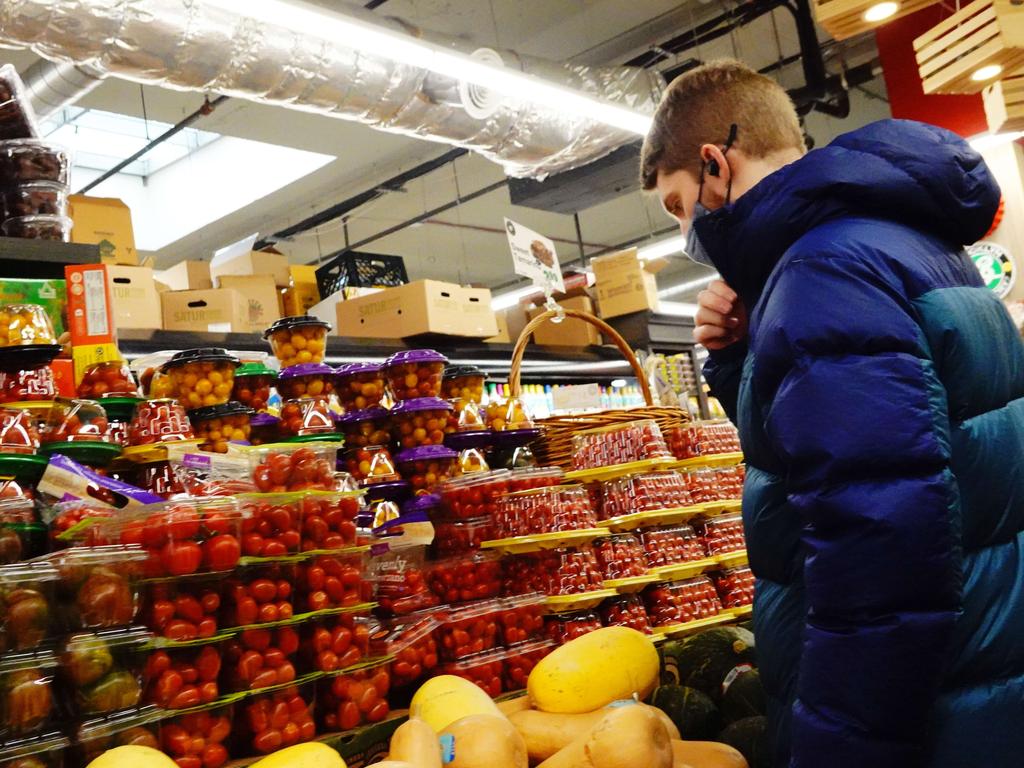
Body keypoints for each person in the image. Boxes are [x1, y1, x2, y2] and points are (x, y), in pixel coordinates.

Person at [640, 59, 1024, 767]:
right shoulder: (910, 243)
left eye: (676, 204)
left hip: (924, 720)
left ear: (714, 164)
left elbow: (881, 558)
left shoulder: (823, 273)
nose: (686, 228)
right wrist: (740, 356)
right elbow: (857, 457)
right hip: (981, 672)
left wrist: (836, 747)